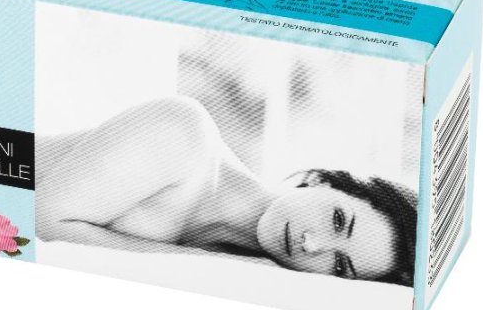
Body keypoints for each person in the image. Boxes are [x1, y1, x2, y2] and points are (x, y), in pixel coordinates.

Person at [35, 96, 416, 285]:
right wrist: (210, 264)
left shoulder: (248, 280)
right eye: (337, 220)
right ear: (324, 181)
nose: (312, 244)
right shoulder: (184, 135)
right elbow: (40, 224)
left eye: (339, 265)